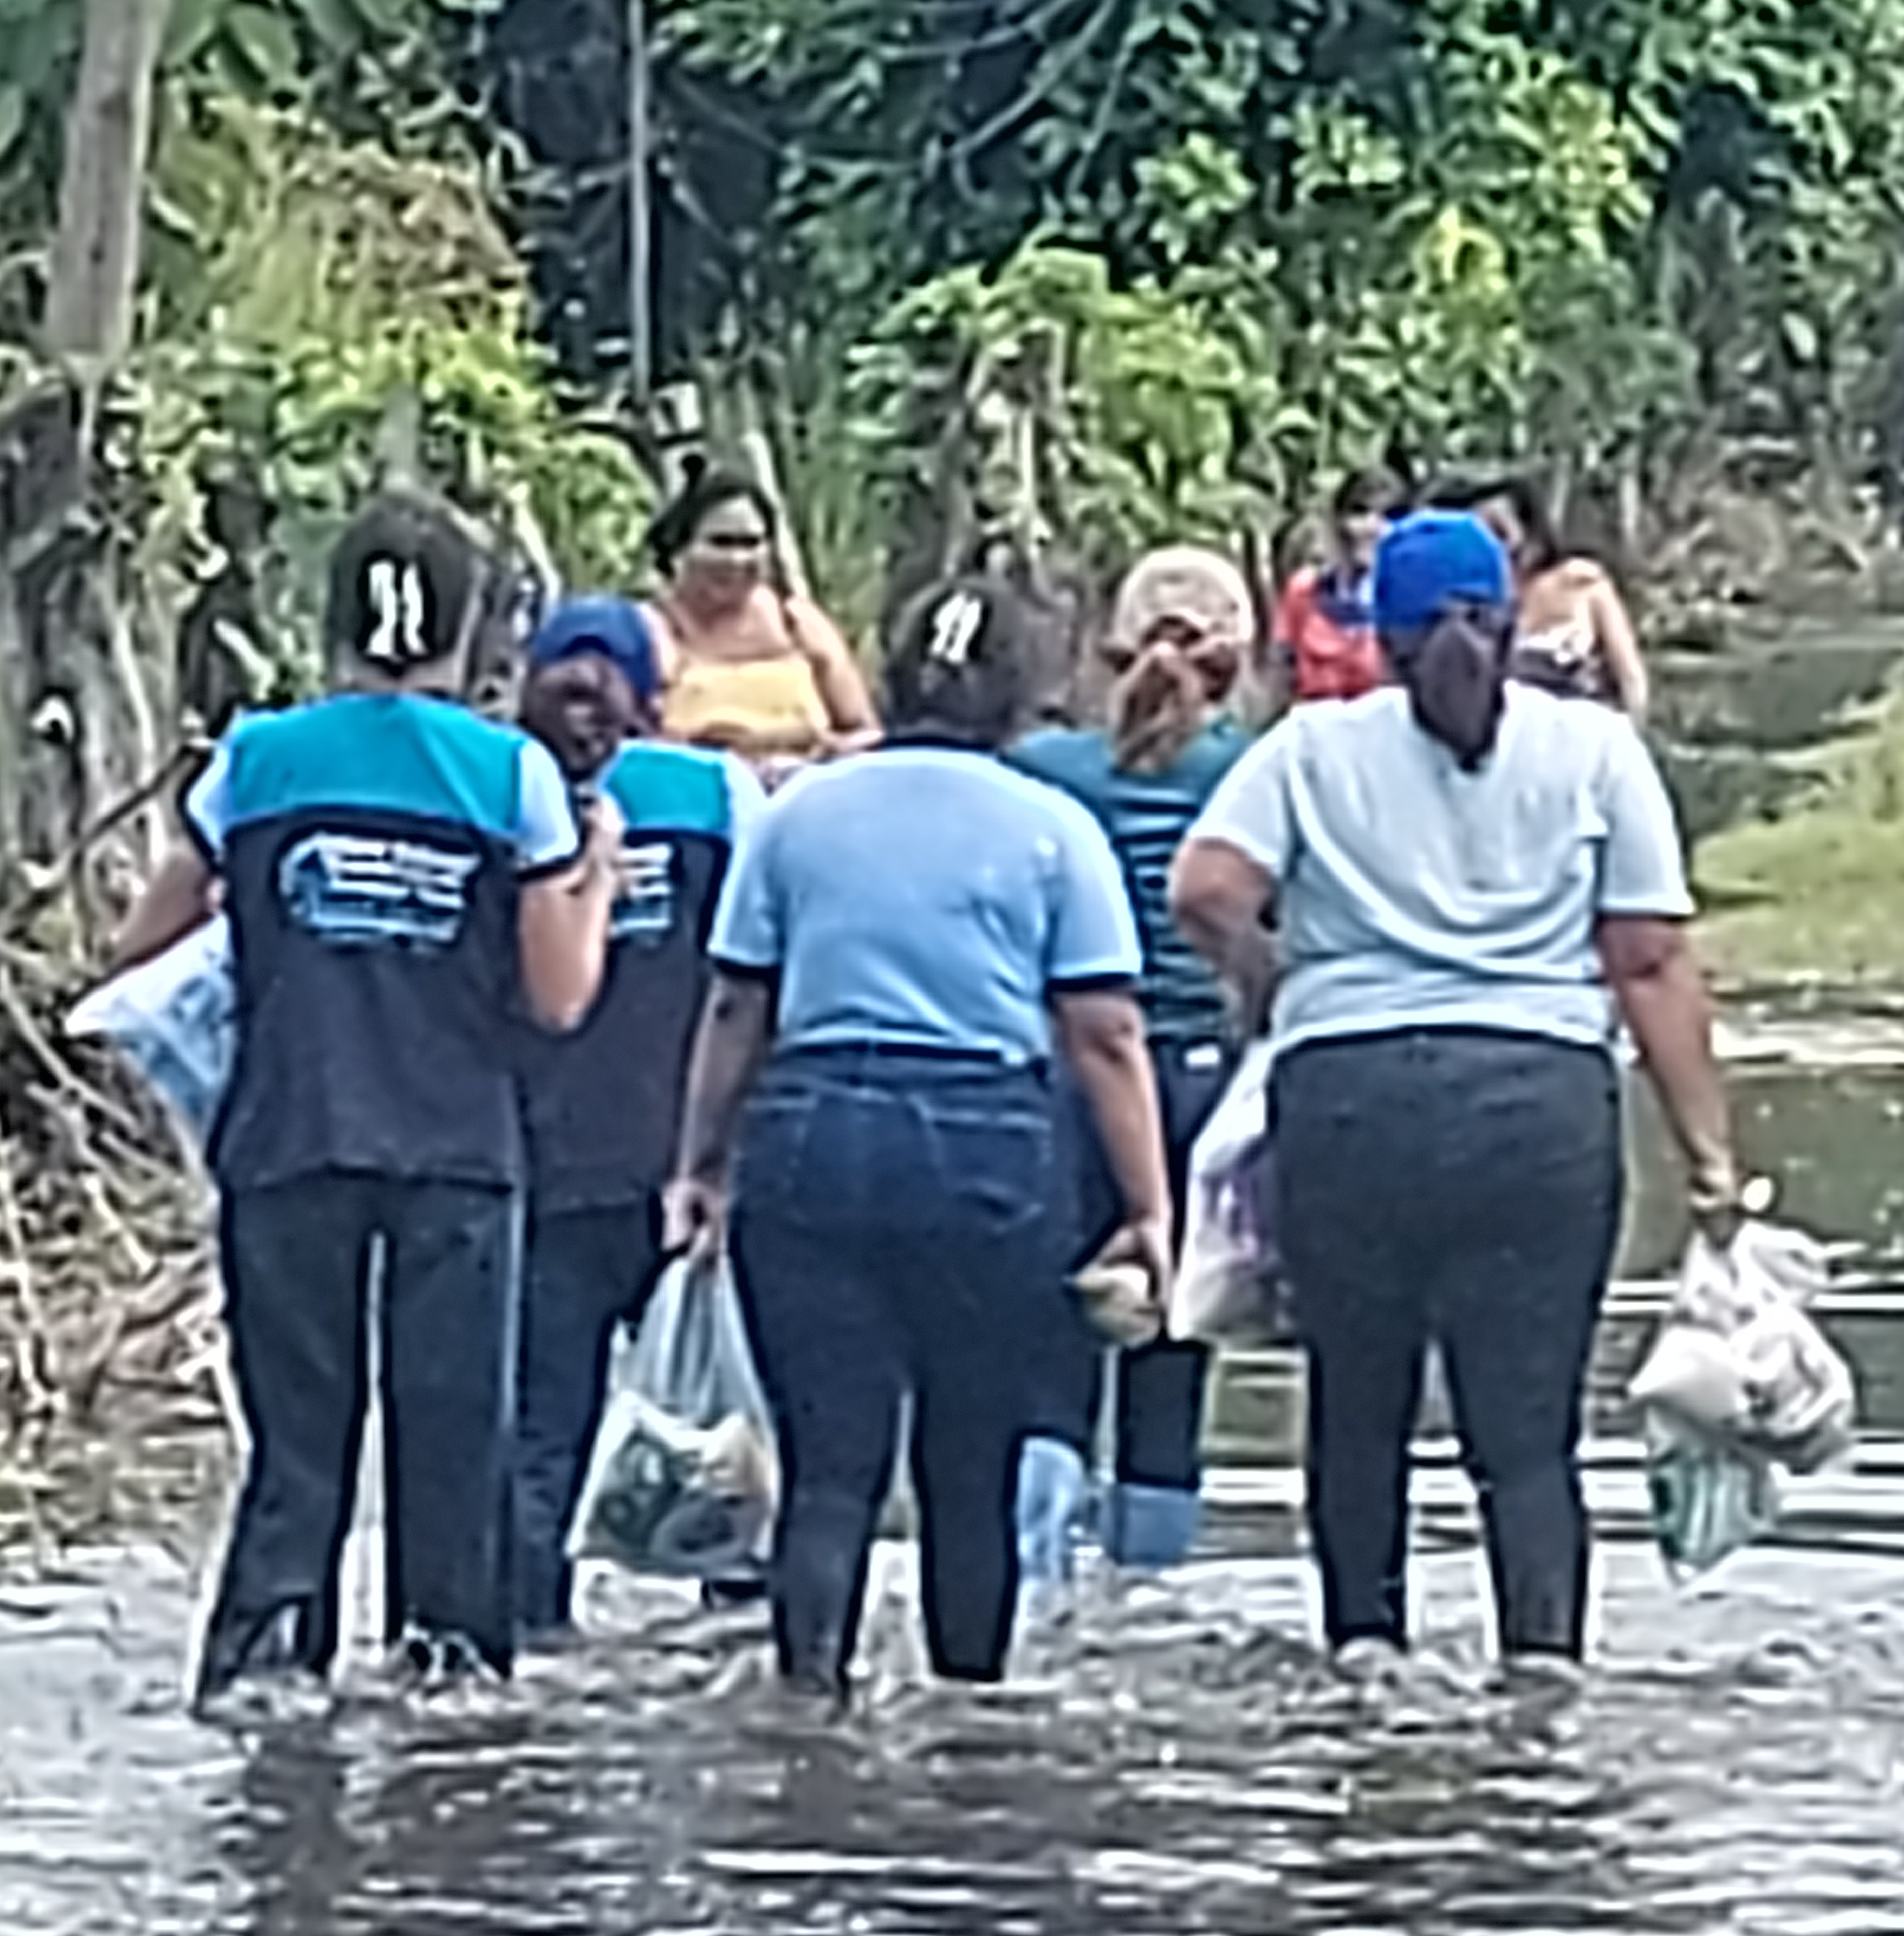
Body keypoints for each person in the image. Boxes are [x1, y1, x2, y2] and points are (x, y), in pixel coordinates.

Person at [1169, 511, 1742, 1665]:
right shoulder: (1593, 750)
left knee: (1357, 1414)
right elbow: (1648, 961)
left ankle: (1362, 1669)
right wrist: (1710, 1158)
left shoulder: (1310, 747)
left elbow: (1205, 890)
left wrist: (1275, 982)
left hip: (1351, 1105)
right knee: (1526, 1442)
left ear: (1374, 636)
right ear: (1511, 615)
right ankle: (1540, 1683)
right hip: (1538, 1114)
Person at [107, 493, 622, 1705]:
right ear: (469, 629)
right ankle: (446, 1685)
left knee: (297, 1444)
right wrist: (594, 877)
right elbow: (557, 998)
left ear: (333, 619)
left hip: (288, 1140)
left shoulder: (254, 761)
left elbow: (139, 946)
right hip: (456, 1153)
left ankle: (266, 1677)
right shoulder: (510, 775)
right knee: (454, 1441)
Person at [668, 581, 1178, 1699]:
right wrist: (1148, 1207)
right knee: (971, 1471)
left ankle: (807, 1716)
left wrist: (699, 1164)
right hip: (985, 1148)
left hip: (813, 1135)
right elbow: (1104, 1033)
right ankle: (969, 1736)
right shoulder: (1054, 828)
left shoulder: (799, 815)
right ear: (1022, 695)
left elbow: (737, 1005)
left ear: (891, 679)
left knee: (827, 1472)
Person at [505, 594, 753, 1643]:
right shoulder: (712, 794)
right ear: (656, 697)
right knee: (727, 1427)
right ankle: (746, 1646)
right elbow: (756, 975)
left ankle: (527, 1644)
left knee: (540, 1433)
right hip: (684, 1169)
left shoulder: (503, 790)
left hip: (545, 1166)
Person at [1006, 547, 1258, 1574]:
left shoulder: (1039, 771)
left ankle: (1031, 1590)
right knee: (1172, 1358)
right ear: (1237, 661)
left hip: (1067, 1077)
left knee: (1045, 1354)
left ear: (1107, 649)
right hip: (1201, 1084)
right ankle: (1150, 1600)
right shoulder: (1255, 770)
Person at [643, 470, 878, 773]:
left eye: (751, 543)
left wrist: (829, 753)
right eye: (721, 543)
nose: (737, 559)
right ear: (678, 549)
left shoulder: (799, 624)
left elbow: (867, 734)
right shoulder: (650, 631)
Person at [1440, 469, 1649, 721]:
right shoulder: (1469, 603)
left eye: (1499, 530)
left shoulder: (1580, 582)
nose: (1492, 544)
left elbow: (1630, 678)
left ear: (1529, 527)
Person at [1273, 468, 1400, 708]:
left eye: (1388, 516)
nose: (1372, 526)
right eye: (1360, 512)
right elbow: (1282, 671)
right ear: (1338, 520)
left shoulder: (1412, 598)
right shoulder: (1304, 590)